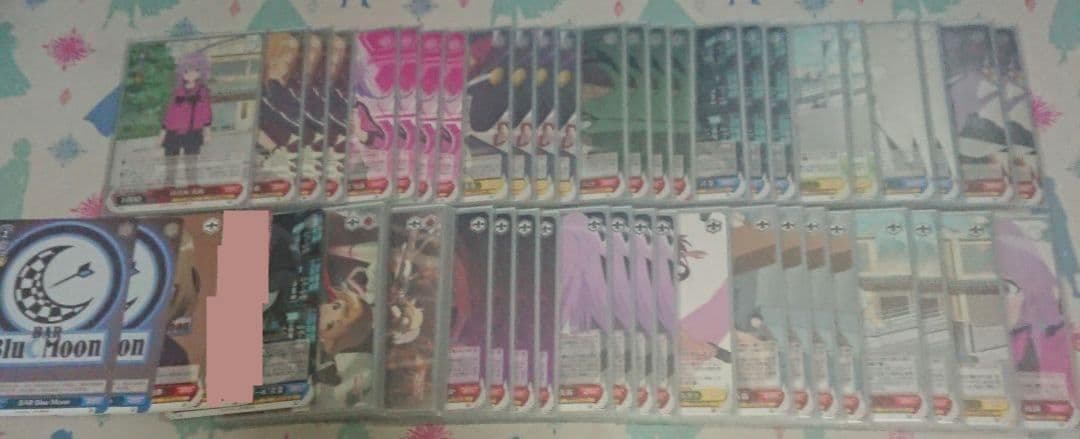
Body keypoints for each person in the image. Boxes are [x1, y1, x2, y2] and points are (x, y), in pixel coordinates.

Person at [159, 51, 212, 188]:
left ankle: (192, 186)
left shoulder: (203, 92)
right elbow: (169, 112)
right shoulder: (177, 91)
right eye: (187, 71)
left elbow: (206, 112)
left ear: (201, 72)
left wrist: (207, 131)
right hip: (173, 132)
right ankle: (168, 187)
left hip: (193, 132)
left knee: (191, 163)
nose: (190, 74)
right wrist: (163, 132)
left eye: (195, 70)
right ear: (181, 72)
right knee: (171, 164)